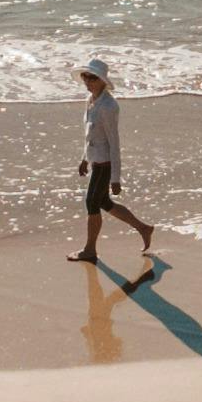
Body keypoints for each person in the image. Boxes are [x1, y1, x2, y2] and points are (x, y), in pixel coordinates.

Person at [69, 58, 153, 267]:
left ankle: (90, 250)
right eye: (85, 76)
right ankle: (143, 228)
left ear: (102, 80)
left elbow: (114, 143)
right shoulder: (90, 100)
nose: (87, 81)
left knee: (92, 203)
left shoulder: (108, 106)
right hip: (95, 160)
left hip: (105, 163)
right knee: (104, 203)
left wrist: (116, 178)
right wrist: (84, 159)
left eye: (92, 77)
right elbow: (90, 135)